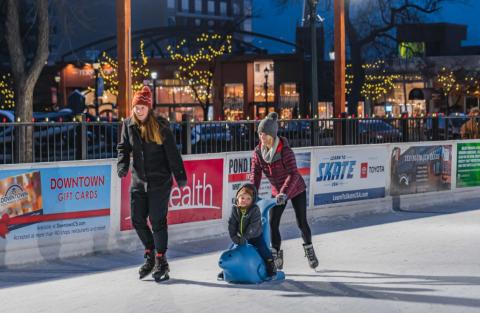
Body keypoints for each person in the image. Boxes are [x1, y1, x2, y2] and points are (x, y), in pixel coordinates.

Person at [117, 86, 187, 281]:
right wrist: (122, 165)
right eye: (136, 107)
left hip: (159, 182)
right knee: (137, 220)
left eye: (142, 107)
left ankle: (161, 259)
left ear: (149, 108)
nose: (138, 111)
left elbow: (172, 153)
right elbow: (123, 147)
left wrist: (180, 176)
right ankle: (150, 253)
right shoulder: (128, 124)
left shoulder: (161, 125)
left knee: (157, 221)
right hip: (138, 182)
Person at [250, 112, 318, 270]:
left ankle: (309, 249)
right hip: (277, 191)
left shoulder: (285, 151)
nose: (262, 137)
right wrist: (252, 192)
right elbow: (255, 174)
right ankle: (276, 255)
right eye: (260, 134)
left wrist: (284, 193)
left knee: (301, 223)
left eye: (265, 134)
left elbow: (294, 174)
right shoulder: (258, 153)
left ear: (272, 135)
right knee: (273, 223)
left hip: (295, 188)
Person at [217, 183, 276, 280]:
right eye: (242, 198)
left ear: (252, 200)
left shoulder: (255, 210)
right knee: (231, 249)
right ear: (238, 198)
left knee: (263, 249)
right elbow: (232, 224)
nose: (245, 201)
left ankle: (271, 266)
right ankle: (226, 270)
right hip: (240, 237)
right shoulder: (235, 209)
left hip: (255, 236)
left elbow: (253, 227)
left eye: (248, 199)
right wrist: (234, 237)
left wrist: (244, 238)